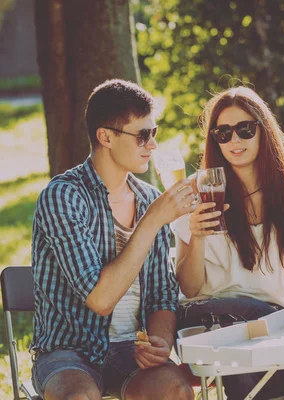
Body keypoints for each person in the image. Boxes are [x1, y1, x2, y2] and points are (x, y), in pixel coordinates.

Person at [30, 79, 195, 400]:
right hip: (68, 350)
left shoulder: (149, 199)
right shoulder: (63, 197)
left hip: (131, 349)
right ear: (105, 136)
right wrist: (152, 221)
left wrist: (159, 344)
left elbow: (162, 294)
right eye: (142, 135)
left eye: (154, 133)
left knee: (176, 390)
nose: (152, 145)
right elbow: (100, 299)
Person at [171, 86, 284, 400]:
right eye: (223, 133)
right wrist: (198, 237)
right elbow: (189, 289)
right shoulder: (196, 196)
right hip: (208, 321)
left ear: (264, 132)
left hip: (270, 323)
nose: (235, 141)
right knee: (248, 343)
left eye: (245, 130)